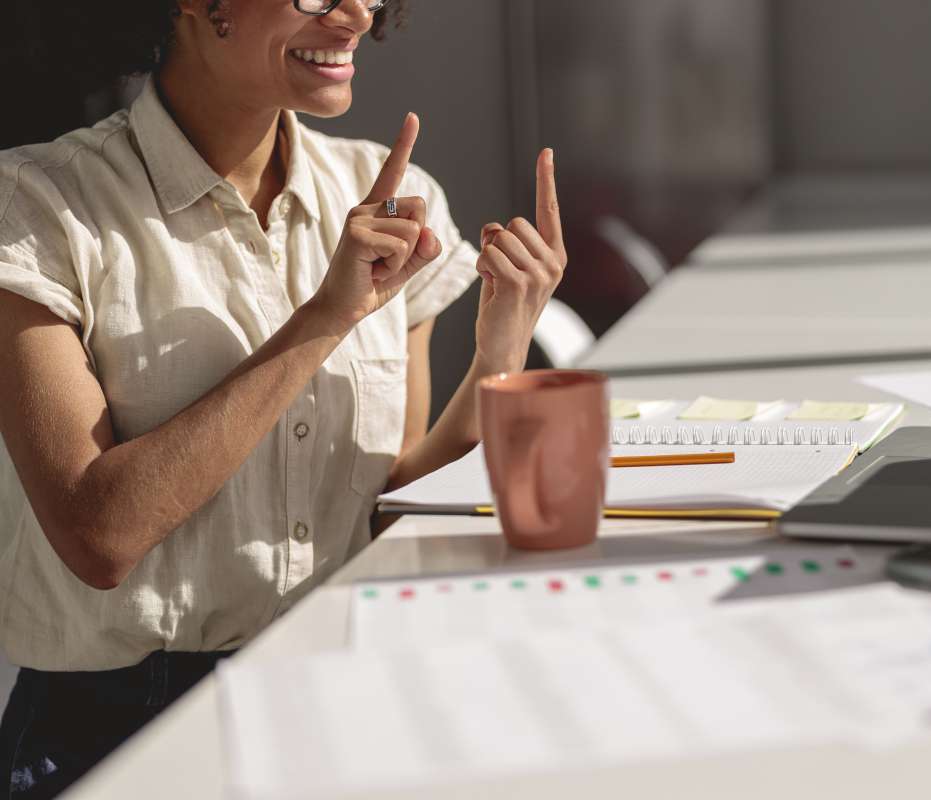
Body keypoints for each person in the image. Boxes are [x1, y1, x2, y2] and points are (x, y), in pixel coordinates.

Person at [0, 1, 568, 796]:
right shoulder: (34, 207)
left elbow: (388, 512)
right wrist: (324, 318)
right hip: (119, 734)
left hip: (350, 694)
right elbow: (100, 536)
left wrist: (499, 353)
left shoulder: (392, 195)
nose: (353, 18)